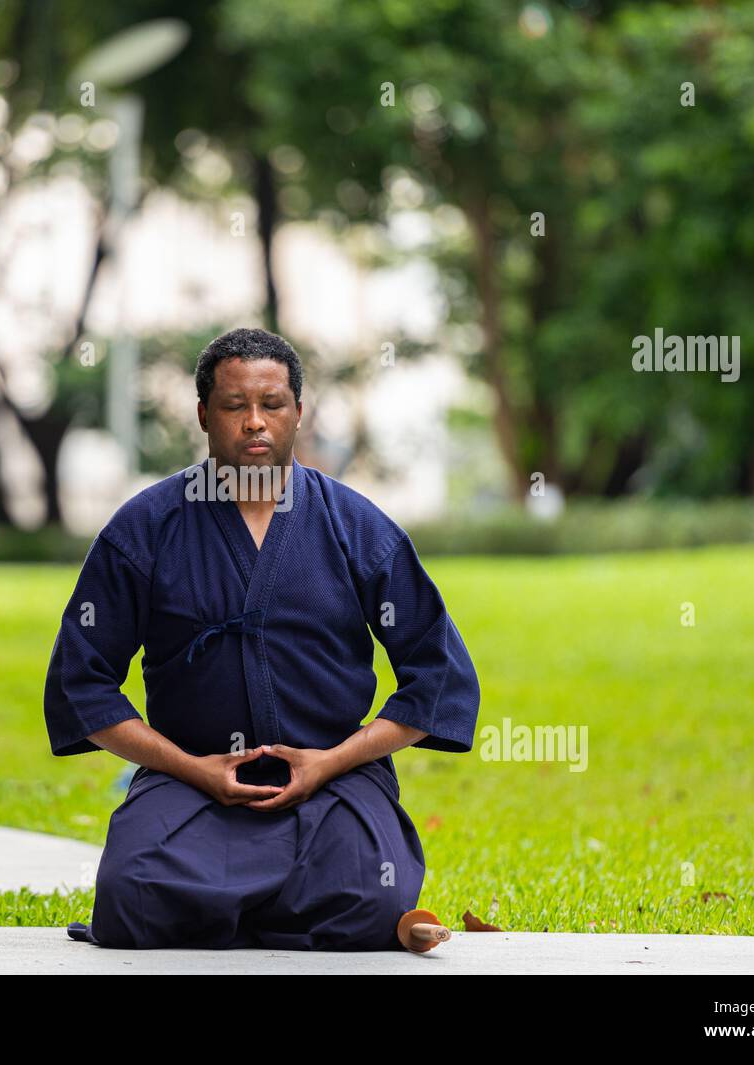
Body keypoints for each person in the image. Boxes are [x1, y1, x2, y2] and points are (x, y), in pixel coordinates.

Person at [43, 327, 480, 950]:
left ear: (298, 412)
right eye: (234, 406)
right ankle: (277, 913)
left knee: (373, 891)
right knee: (130, 892)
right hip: (190, 779)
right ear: (203, 414)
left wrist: (331, 760)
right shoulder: (145, 528)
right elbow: (81, 683)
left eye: (272, 405)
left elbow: (438, 676)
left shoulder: (356, 527)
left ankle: (234, 912)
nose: (255, 423)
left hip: (332, 778)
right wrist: (193, 769)